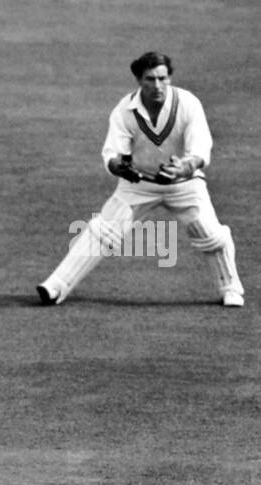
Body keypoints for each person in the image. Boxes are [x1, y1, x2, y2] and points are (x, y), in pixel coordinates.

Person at [37, 52, 244, 306]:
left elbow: (201, 148)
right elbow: (112, 153)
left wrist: (185, 167)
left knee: (210, 235)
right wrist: (120, 167)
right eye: (150, 79)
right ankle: (56, 286)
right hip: (139, 184)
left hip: (184, 184)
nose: (157, 86)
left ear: (169, 78)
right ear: (138, 80)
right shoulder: (124, 110)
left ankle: (231, 289)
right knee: (102, 231)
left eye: (162, 78)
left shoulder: (188, 104)